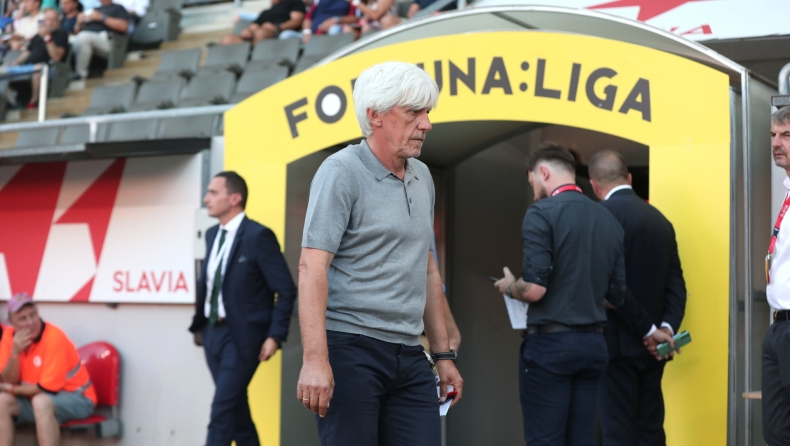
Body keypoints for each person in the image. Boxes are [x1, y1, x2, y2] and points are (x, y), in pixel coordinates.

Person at [297, 61, 463, 445]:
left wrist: (443, 357)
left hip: (411, 353)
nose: (426, 124)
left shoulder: (423, 177)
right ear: (375, 116)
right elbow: (311, 268)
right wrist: (315, 360)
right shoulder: (340, 171)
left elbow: (428, 271)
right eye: (413, 112)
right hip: (350, 350)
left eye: (427, 112)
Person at [492, 142, 673, 446]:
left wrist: (509, 286)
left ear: (544, 172)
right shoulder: (607, 218)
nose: (534, 190)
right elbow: (616, 295)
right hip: (593, 347)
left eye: (532, 181)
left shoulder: (541, 213)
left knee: (545, 439)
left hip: (550, 346)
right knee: (581, 438)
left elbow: (534, 289)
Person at [189, 171, 297, 446]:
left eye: (213, 193)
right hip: (212, 334)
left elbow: (285, 290)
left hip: (243, 338)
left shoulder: (258, 236)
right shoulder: (212, 235)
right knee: (237, 412)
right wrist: (201, 326)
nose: (206, 199)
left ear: (234, 198)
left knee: (221, 411)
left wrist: (275, 335)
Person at [588, 149, 687, 446]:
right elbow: (677, 286)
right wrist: (665, 329)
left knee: (617, 433)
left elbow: (609, 286)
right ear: (629, 178)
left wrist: (647, 330)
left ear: (594, 185)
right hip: (655, 350)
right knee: (650, 431)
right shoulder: (661, 220)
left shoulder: (599, 217)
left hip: (615, 347)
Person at [0, 293, 97, 446]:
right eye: (22, 319)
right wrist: (15, 353)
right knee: (2, 402)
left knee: (41, 402)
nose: (30, 322)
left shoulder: (54, 337)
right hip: (35, 398)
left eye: (33, 315)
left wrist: (11, 390)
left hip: (79, 398)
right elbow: (8, 379)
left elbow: (45, 389)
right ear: (12, 323)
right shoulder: (9, 335)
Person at [763, 106, 790, 444]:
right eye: (773, 135)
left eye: (786, 135)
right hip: (778, 326)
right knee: (776, 431)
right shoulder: (788, 190)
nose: (775, 143)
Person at [2, 8, 68, 109]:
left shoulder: (61, 34)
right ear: (44, 21)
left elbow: (56, 57)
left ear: (58, 21)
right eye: (48, 19)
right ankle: (14, 103)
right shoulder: (38, 35)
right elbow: (27, 52)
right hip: (28, 67)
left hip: (48, 68)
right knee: (1, 70)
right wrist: (14, 63)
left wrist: (47, 37)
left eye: (53, 19)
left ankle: (33, 101)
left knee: (38, 68)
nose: (50, 22)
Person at [71, 0, 128, 80]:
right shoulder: (93, 10)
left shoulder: (118, 8)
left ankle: (80, 75)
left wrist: (102, 17)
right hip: (86, 36)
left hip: (107, 39)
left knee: (84, 37)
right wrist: (79, 22)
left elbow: (124, 27)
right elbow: (76, 31)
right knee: (69, 40)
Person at [220, 0, 305, 46]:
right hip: (257, 34)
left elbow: (296, 21)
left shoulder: (295, 3)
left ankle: (254, 57)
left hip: (277, 32)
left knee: (260, 33)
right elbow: (254, 25)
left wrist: (277, 26)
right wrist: (248, 30)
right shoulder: (266, 12)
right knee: (227, 39)